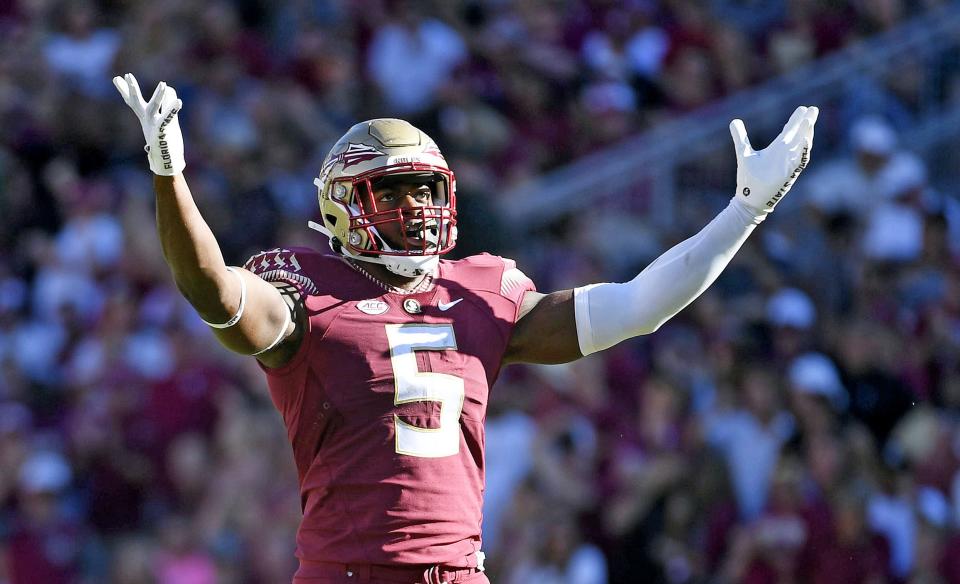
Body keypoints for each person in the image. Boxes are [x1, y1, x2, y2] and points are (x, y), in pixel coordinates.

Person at [113, 73, 817, 584]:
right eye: (390, 190)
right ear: (340, 208)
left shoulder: (482, 291)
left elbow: (638, 307)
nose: (415, 206)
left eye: (425, 188)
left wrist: (743, 212)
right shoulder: (305, 287)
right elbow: (213, 292)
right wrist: (169, 176)